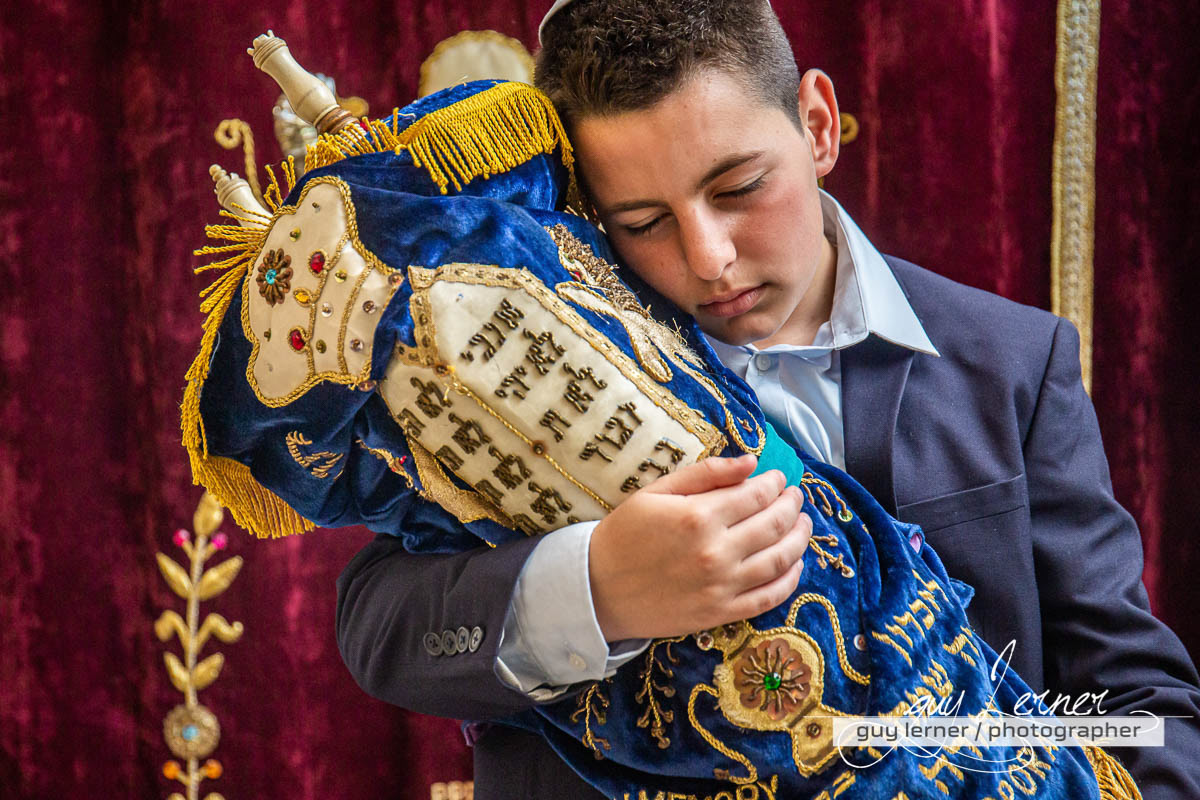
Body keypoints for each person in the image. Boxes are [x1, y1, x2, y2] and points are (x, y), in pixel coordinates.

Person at [335, 1, 1200, 797]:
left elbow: (1139, 704)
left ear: (817, 125)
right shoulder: (534, 363)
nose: (708, 258)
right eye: (643, 223)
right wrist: (598, 587)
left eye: (738, 188)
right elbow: (382, 628)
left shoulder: (1014, 363)